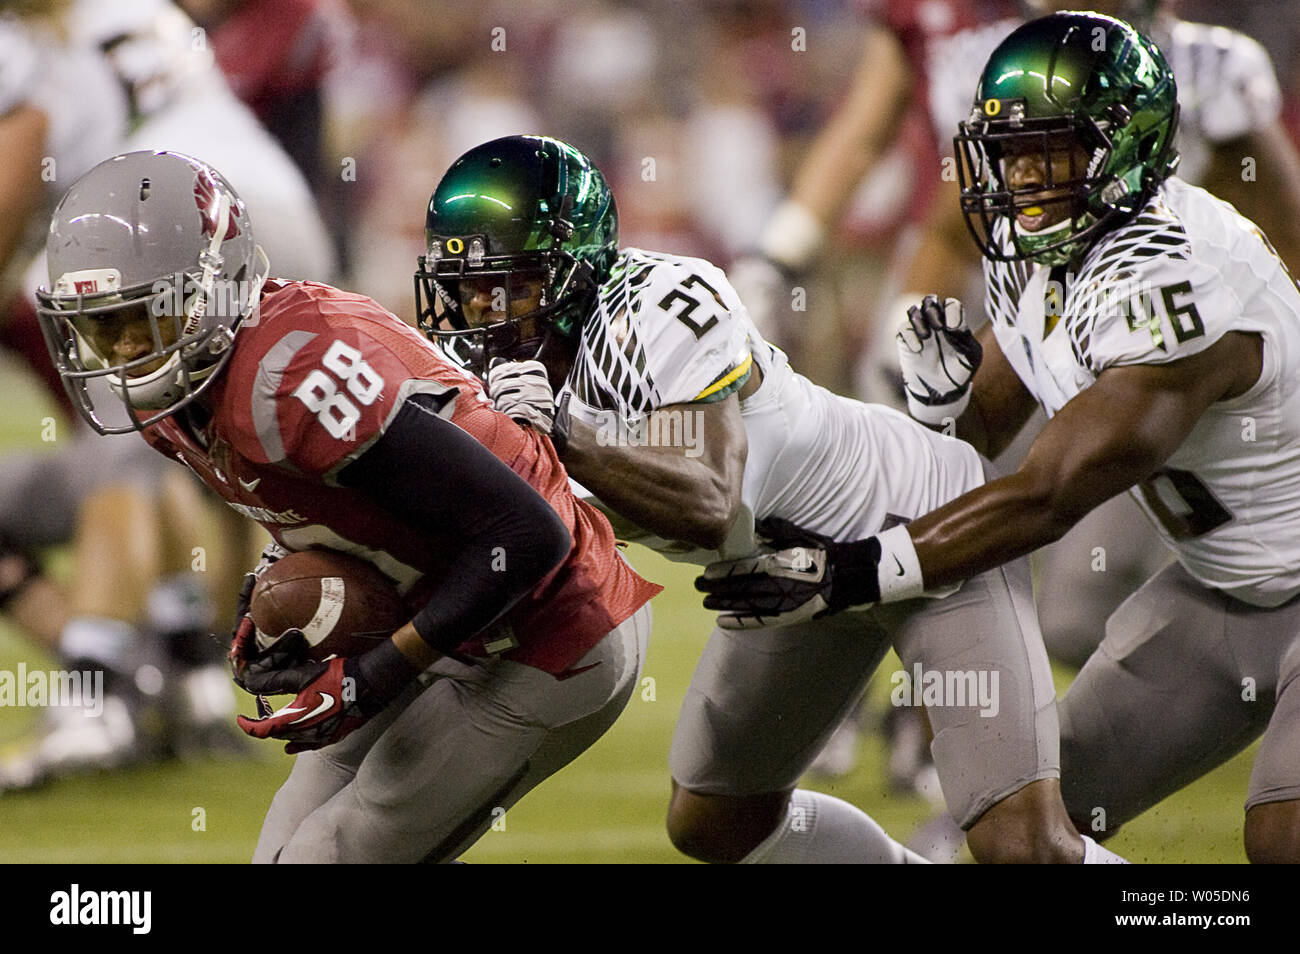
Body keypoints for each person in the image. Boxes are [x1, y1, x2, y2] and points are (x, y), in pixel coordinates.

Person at [417, 134, 1125, 863]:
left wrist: (563, 433)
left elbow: (711, 501)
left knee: (1022, 845)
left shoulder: (658, 305)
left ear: (577, 271)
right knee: (715, 824)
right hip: (786, 580)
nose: (484, 310)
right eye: (466, 286)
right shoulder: (480, 367)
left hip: (919, 524)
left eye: (513, 284)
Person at [698, 12, 1300, 863]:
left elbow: (1048, 495)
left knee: (1282, 838)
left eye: (1048, 150)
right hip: (1216, 589)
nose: (1020, 176)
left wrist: (854, 573)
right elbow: (987, 429)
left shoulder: (1182, 274)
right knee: (1029, 832)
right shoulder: (1046, 246)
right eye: (1008, 150)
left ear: (1124, 148)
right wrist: (942, 401)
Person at [33, 149, 660, 863]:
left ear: (210, 292)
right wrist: (262, 612)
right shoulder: (175, 401)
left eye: (140, 318)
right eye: (100, 325)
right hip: (446, 604)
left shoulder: (288, 373)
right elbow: (334, 511)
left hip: (550, 624)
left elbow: (526, 534)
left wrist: (378, 672)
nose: (121, 350)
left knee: (333, 855)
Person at [0, 0, 339, 786]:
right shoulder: (134, 9)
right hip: (273, 214)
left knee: (126, 443)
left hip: (156, 219)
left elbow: (24, 143)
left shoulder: (33, 42)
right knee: (205, 457)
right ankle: (188, 683)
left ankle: (99, 699)